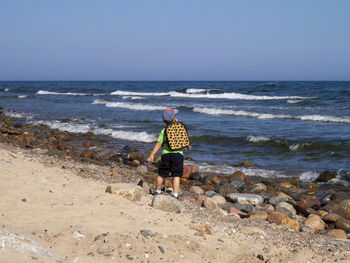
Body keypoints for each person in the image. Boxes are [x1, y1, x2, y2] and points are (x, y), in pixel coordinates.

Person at [147, 108, 191, 198]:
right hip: (178, 155)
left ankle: (158, 191)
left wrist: (152, 154)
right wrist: (187, 145)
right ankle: (175, 194)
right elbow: (184, 139)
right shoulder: (180, 128)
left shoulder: (164, 130)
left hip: (166, 155)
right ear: (174, 118)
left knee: (161, 174)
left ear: (164, 121)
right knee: (176, 175)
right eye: (175, 116)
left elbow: (159, 143)